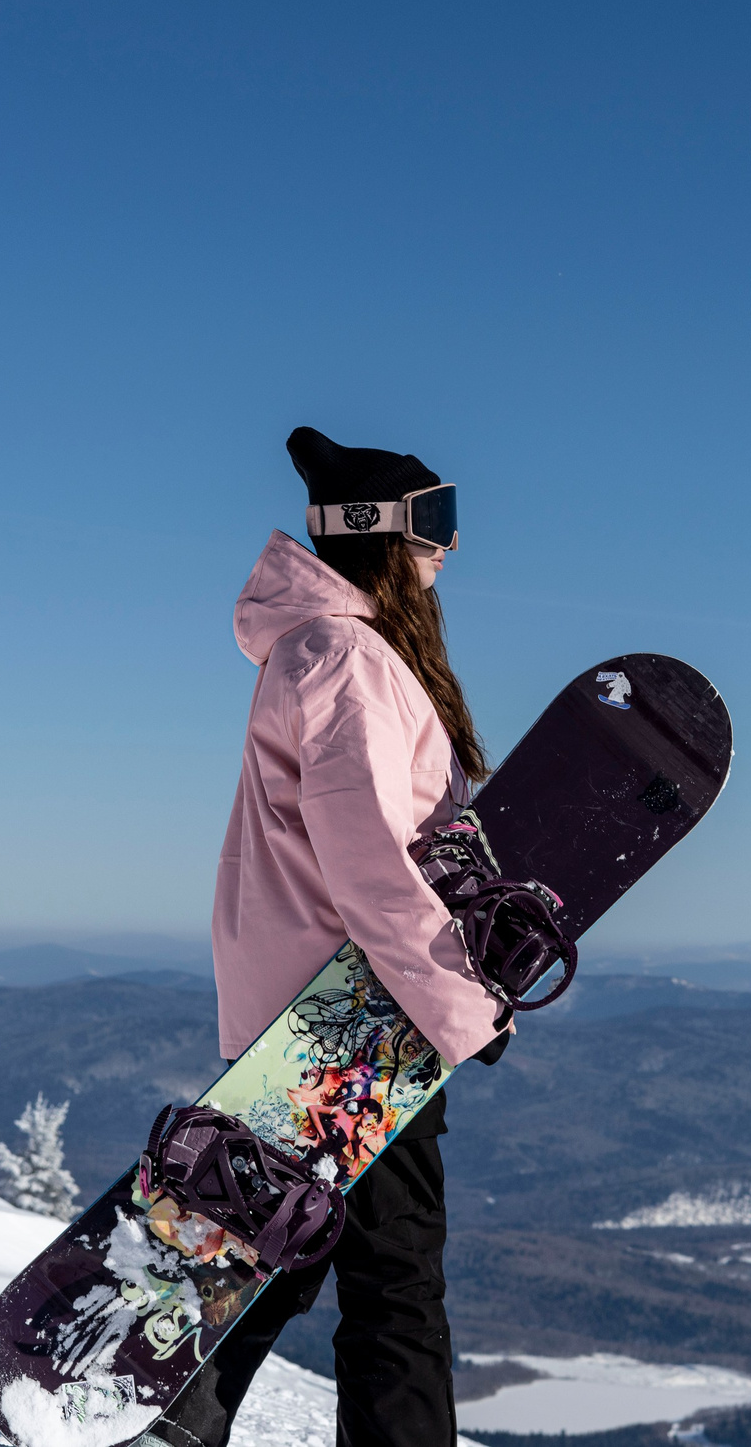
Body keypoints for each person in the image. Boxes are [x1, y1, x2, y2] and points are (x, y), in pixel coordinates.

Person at [145, 427, 507, 1447]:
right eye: (433, 524)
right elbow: (365, 861)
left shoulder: (331, 652)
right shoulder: (346, 658)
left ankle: (177, 1415)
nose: (447, 551)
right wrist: (460, 1006)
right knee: (395, 1278)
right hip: (352, 1014)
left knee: (289, 1238)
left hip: (307, 999)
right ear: (376, 533)